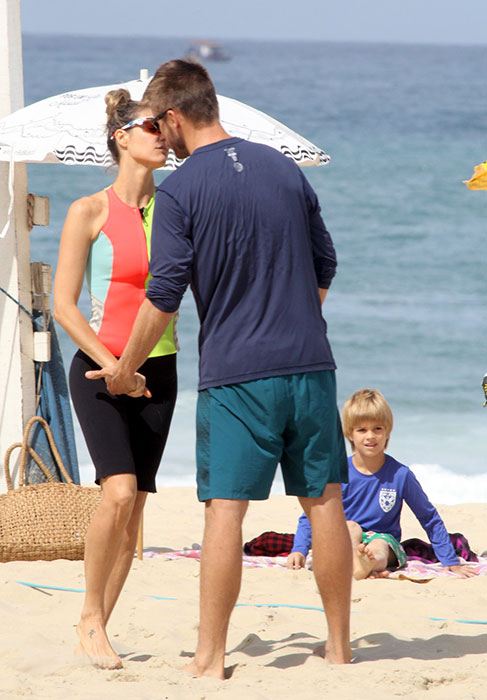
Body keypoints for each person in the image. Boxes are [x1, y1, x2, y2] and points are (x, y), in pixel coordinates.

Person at [87, 59, 353, 678]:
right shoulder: (283, 168)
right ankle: (340, 650)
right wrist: (296, 320)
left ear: (175, 116)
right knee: (326, 504)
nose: (157, 132)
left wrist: (126, 368)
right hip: (311, 365)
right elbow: (326, 262)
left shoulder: (179, 190)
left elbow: (165, 293)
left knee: (225, 512)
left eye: (157, 121)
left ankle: (209, 659)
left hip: (238, 376)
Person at [53, 89, 178, 669]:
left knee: (138, 507)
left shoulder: (177, 209)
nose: (161, 133)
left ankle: (99, 624)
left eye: (164, 125)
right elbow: (64, 306)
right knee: (118, 492)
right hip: (99, 368)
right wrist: (116, 366)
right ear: (120, 137)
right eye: (150, 125)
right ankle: (88, 618)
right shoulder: (89, 210)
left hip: (162, 368)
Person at [287, 388, 479, 580]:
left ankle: (365, 564)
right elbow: (310, 514)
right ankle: (357, 563)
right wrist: (299, 550)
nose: (370, 436)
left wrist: (450, 561)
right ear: (350, 433)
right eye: (362, 430)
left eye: (377, 429)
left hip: (384, 542)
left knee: (378, 546)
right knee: (351, 527)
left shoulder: (400, 475)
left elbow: (428, 517)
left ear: (387, 431)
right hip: (344, 537)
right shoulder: (337, 472)